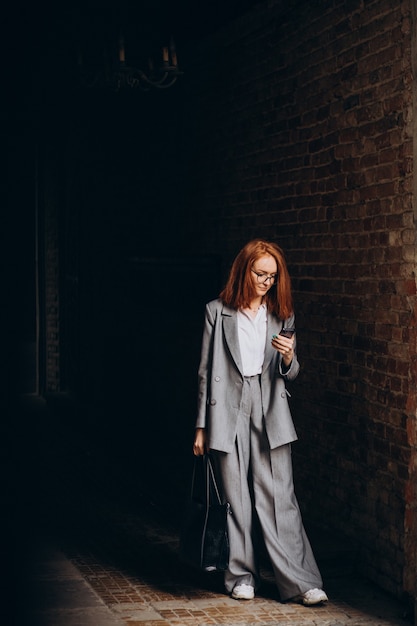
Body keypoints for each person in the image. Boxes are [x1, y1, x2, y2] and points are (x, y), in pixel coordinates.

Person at [193, 239, 328, 606]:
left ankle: (300, 581)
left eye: (272, 276)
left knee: (279, 498)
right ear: (244, 271)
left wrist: (288, 358)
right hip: (227, 410)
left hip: (269, 407)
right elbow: (206, 372)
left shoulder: (282, 314)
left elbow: (291, 373)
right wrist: (201, 427)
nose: (266, 282)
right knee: (235, 498)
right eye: (260, 274)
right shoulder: (216, 312)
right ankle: (240, 576)